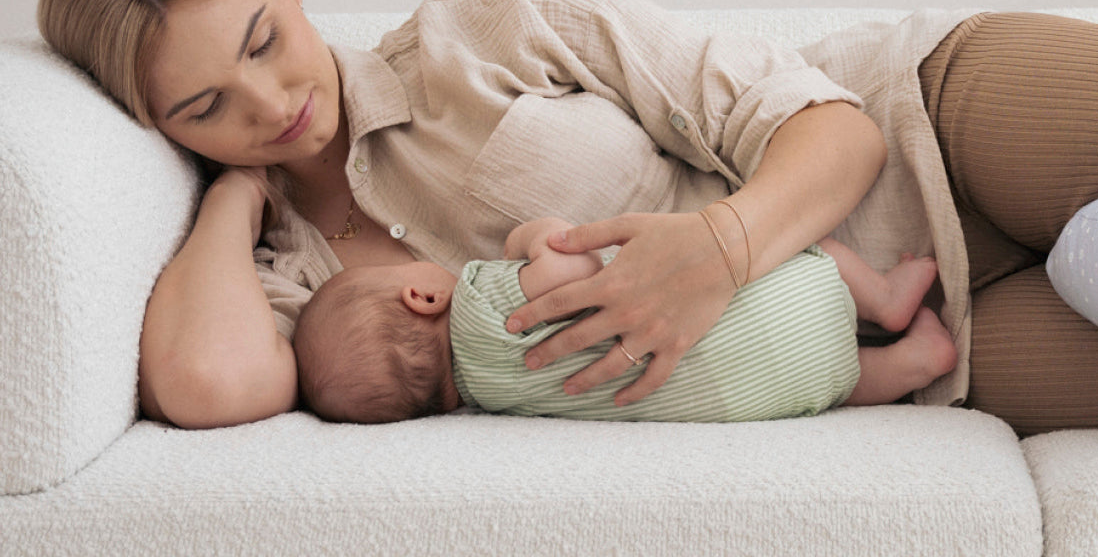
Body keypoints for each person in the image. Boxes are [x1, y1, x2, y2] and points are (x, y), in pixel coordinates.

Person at [37, 0, 1098, 435]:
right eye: (204, 105)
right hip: (942, 344)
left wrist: (719, 250)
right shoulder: (286, 281)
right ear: (155, 123)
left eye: (263, 40)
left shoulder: (488, 29)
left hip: (940, 126)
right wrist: (234, 197)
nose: (272, 105)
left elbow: (833, 128)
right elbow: (210, 386)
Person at [294, 216, 956, 424]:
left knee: (833, 379)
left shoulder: (494, 400)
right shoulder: (479, 303)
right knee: (809, 246)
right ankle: (885, 299)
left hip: (767, 394)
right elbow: (573, 267)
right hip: (781, 302)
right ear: (420, 297)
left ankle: (911, 362)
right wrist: (528, 237)